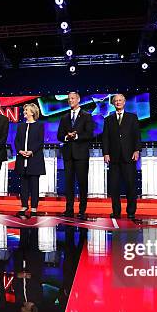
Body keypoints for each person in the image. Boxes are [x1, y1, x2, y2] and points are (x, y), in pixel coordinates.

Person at [102, 94, 142, 220]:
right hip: (113, 158)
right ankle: (116, 211)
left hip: (129, 156)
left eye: (120, 100)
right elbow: (105, 138)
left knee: (130, 185)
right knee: (114, 187)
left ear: (124, 102)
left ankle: (131, 211)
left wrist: (137, 150)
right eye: (116, 101)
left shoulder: (132, 118)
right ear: (113, 103)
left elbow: (137, 136)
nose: (118, 102)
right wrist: (106, 153)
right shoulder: (108, 119)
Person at [57, 92, 95, 220]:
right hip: (68, 155)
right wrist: (67, 137)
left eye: (72, 98)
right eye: (69, 99)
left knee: (82, 183)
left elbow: (90, 134)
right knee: (69, 183)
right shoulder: (64, 117)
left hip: (81, 155)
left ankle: (82, 210)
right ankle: (69, 209)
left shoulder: (86, 116)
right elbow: (59, 136)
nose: (70, 101)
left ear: (78, 100)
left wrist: (77, 136)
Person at [14, 103, 45, 218]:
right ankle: (24, 206)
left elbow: (40, 142)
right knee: (24, 185)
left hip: (34, 159)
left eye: (26, 110)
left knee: (34, 185)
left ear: (32, 112)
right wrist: (20, 151)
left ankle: (33, 208)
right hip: (22, 160)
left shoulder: (39, 126)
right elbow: (16, 141)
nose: (24, 112)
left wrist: (31, 151)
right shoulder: (21, 126)